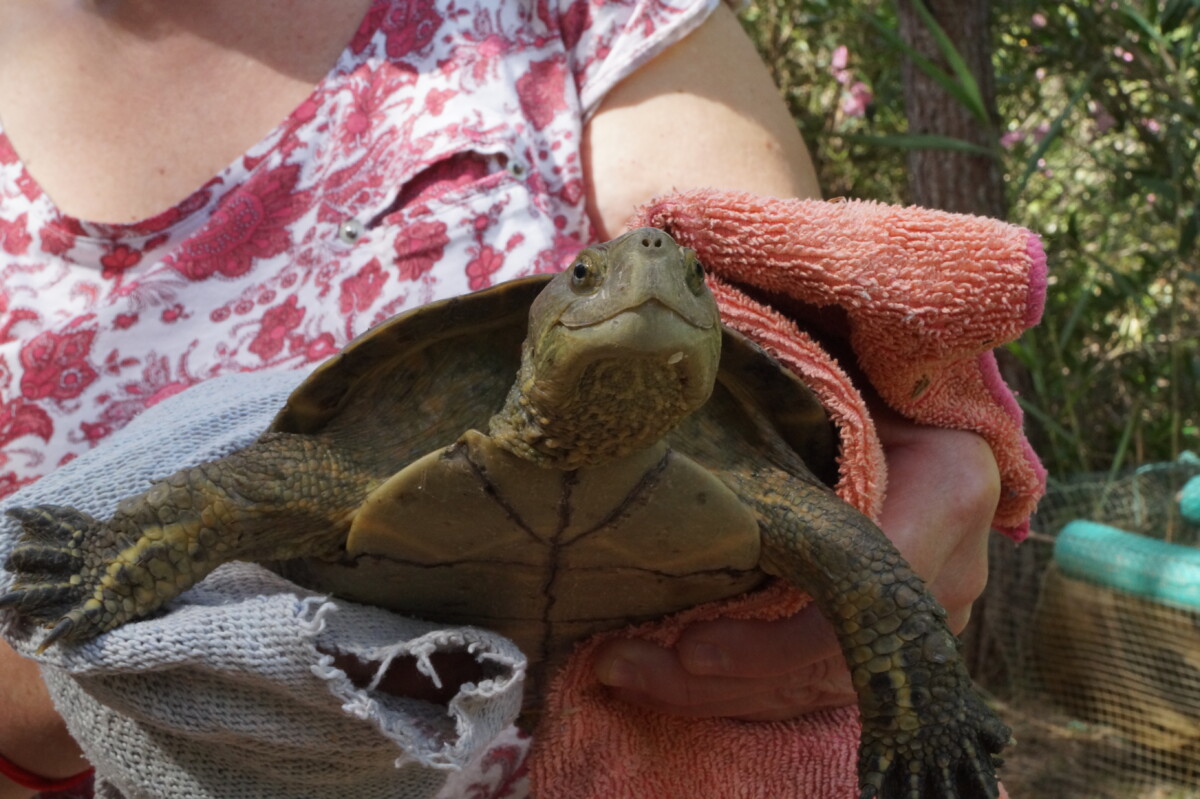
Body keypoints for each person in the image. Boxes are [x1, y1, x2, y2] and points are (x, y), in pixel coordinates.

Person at [0, 1, 1001, 797]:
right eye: (594, 279)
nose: (650, 276)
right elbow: (243, 486)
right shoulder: (375, 440)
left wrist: (917, 452)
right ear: (540, 332)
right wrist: (91, 601)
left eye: (683, 285)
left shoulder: (590, 13)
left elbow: (862, 527)